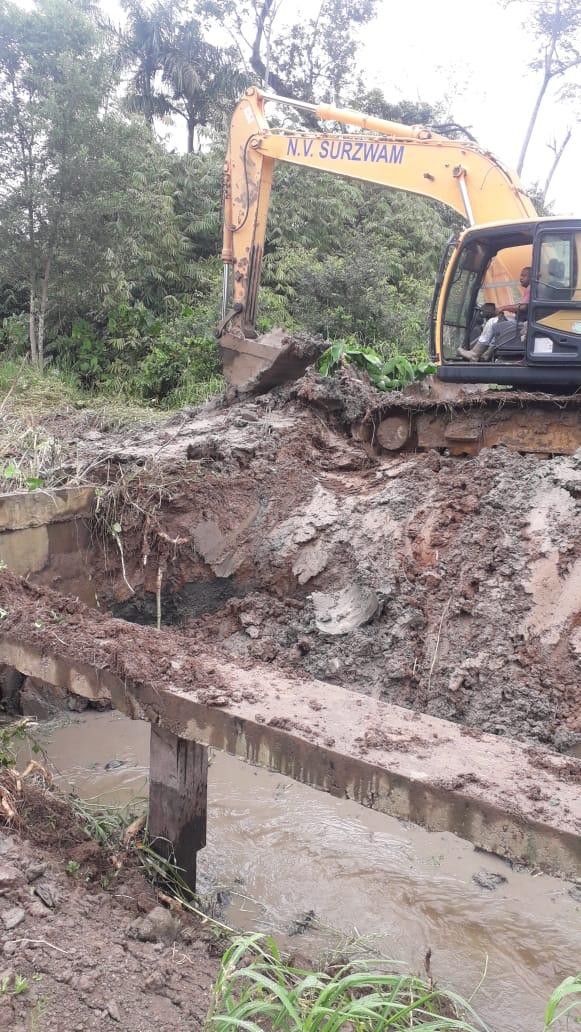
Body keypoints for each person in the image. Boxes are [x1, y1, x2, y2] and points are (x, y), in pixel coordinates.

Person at [458, 266, 531, 362]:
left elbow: (523, 307)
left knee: (492, 322)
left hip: (524, 325)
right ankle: (487, 355)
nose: (520, 278)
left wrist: (503, 308)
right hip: (524, 322)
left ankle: (475, 353)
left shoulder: (531, 288)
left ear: (531, 277)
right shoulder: (532, 288)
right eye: (520, 275)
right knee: (498, 325)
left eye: (524, 275)